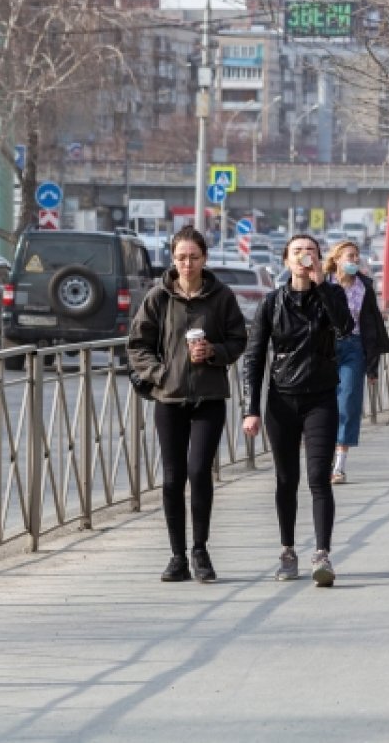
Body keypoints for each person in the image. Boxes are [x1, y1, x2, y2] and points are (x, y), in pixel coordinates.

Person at [127, 226, 248, 583]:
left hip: (209, 397)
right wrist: (159, 373)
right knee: (172, 477)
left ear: (204, 259)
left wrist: (215, 352)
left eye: (194, 257)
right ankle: (177, 555)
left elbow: (240, 339)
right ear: (173, 259)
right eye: (181, 257)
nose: (187, 263)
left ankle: (200, 550)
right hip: (170, 397)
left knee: (199, 472)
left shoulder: (221, 296)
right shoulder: (159, 297)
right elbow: (137, 344)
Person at [241, 234, 354, 587]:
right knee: (286, 479)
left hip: (320, 398)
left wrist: (322, 286)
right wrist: (251, 408)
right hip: (282, 400)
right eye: (297, 252)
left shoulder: (331, 295)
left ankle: (322, 554)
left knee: (319, 477)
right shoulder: (272, 303)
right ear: (286, 261)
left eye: (311, 252)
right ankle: (288, 551)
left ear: (320, 260)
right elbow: (255, 357)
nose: (304, 257)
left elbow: (345, 329)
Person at [322, 240, 389, 484]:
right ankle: (322, 456)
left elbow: (372, 327)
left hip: (354, 347)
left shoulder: (364, 287)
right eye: (349, 256)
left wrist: (372, 366)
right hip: (325, 348)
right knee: (324, 404)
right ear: (337, 259)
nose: (354, 260)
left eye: (356, 256)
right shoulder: (324, 283)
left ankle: (339, 465)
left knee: (348, 403)